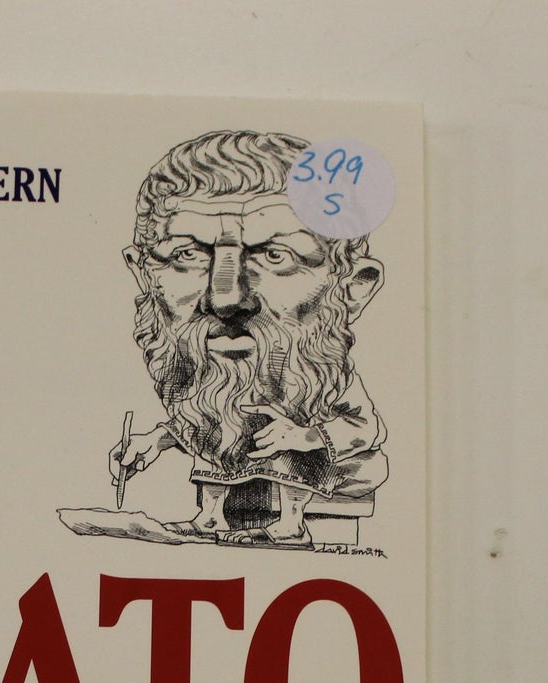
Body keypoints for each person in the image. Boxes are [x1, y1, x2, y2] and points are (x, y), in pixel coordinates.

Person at [110, 130, 387, 545]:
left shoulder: (331, 384)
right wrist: (154, 441)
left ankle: (291, 525)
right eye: (188, 255)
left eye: (276, 256)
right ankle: (210, 518)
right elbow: (191, 424)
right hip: (242, 470)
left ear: (352, 288)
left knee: (287, 441)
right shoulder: (206, 391)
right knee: (213, 427)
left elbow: (364, 429)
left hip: (325, 479)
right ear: (144, 274)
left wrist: (307, 436)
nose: (225, 298)